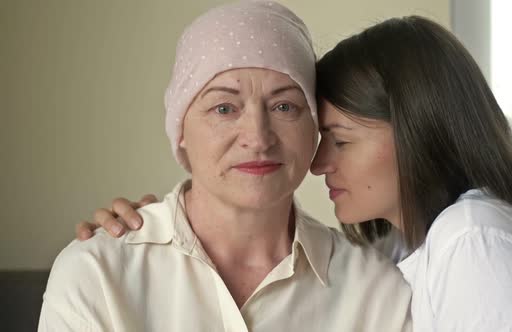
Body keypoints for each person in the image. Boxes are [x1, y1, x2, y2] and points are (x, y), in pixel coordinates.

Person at [82, 14, 512, 331]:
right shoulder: (410, 246)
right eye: (223, 109)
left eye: (341, 141)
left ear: (419, 133)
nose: (320, 162)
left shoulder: (474, 243)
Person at [39, 2, 413, 331]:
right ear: (180, 127)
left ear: (314, 128)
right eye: (224, 108)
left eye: (284, 107)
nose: (257, 137)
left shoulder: (377, 290)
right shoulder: (96, 272)